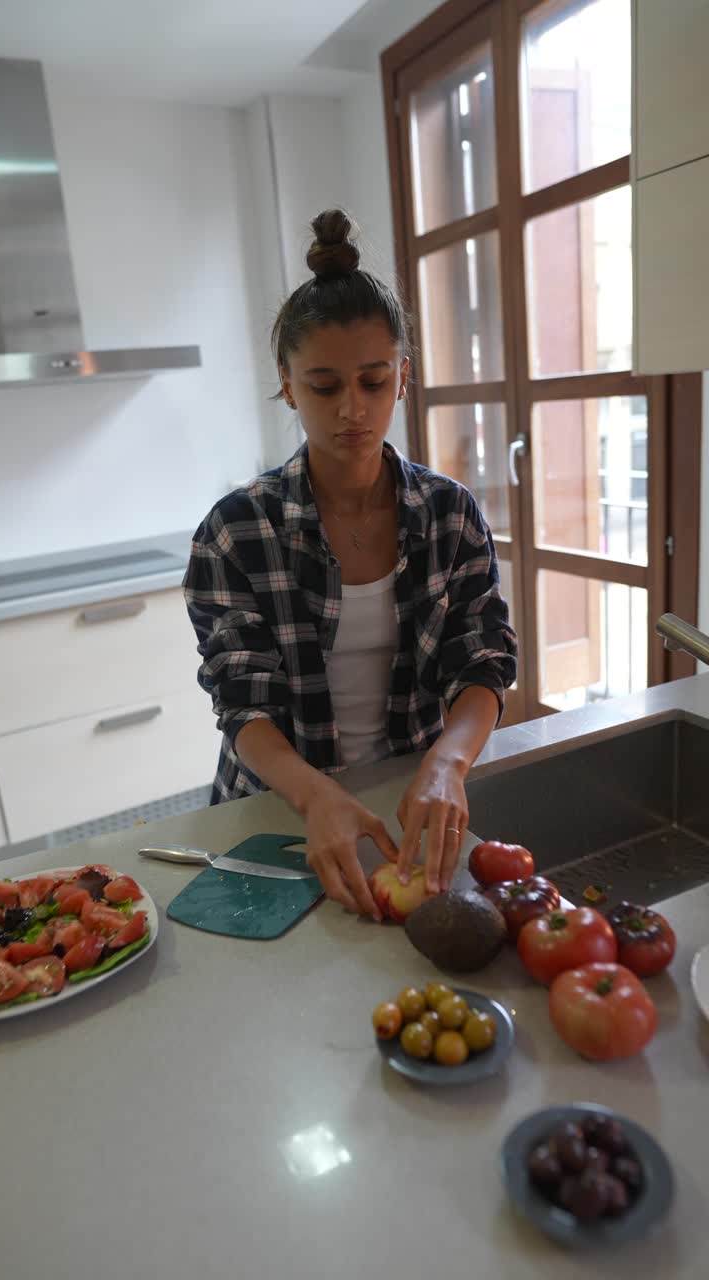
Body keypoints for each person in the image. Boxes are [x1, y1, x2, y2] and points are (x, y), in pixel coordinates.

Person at [184, 209, 517, 920]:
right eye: (324, 386)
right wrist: (317, 796)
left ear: (403, 376)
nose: (351, 411)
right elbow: (242, 704)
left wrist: (449, 762)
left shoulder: (450, 514)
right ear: (287, 384)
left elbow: (483, 662)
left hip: (413, 801)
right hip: (278, 810)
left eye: (372, 381)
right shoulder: (236, 533)